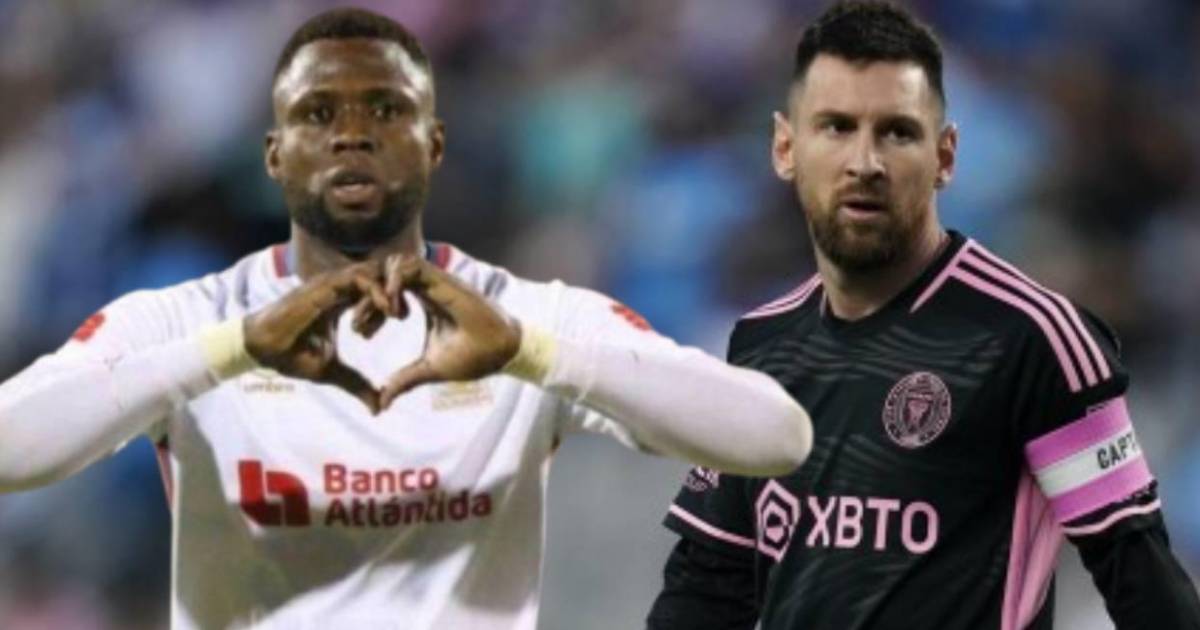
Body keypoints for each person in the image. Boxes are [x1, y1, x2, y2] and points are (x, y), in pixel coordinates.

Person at [0, 8, 815, 630]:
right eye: (318, 114)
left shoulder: (523, 318)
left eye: (386, 111)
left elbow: (776, 436)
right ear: (274, 154)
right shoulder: (192, 321)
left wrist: (534, 355)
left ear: (434, 144)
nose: (353, 136)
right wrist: (234, 348)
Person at [645, 2, 1200, 629]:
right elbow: (706, 588)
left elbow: (1144, 583)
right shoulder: (759, 346)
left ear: (945, 156)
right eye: (836, 127)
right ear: (785, 148)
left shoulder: (1032, 337)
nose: (865, 163)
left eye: (897, 132)